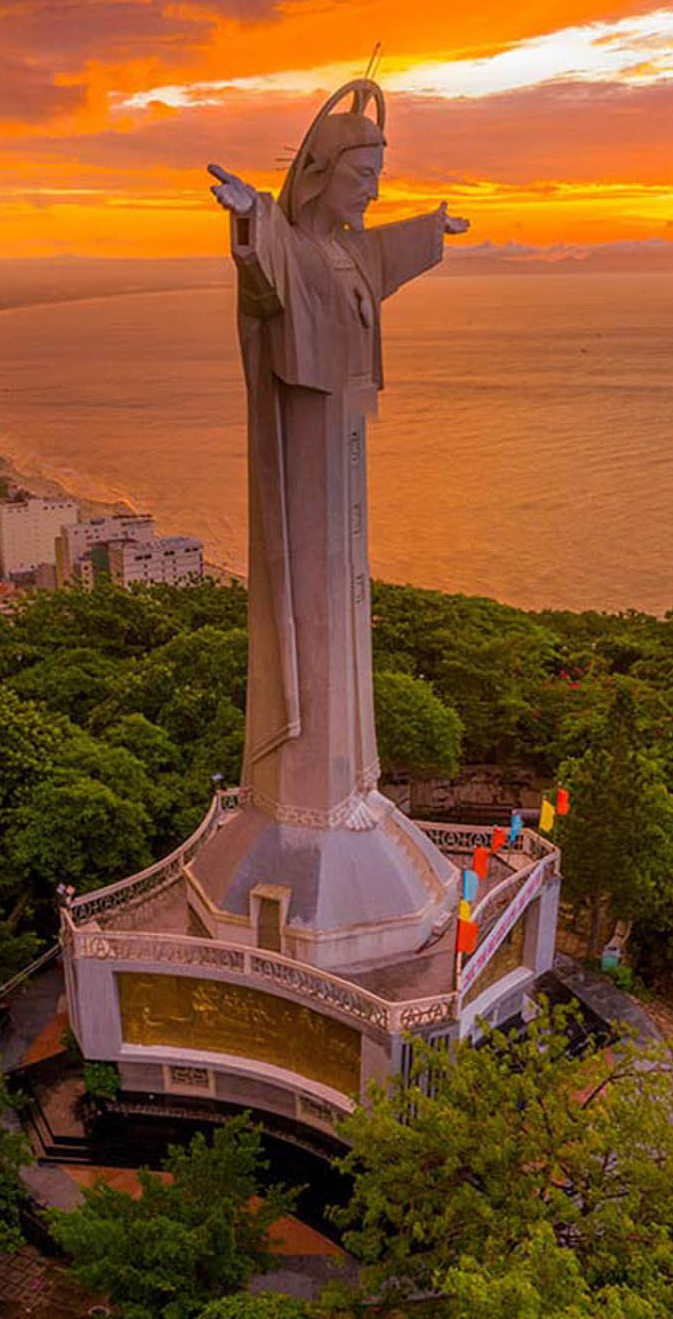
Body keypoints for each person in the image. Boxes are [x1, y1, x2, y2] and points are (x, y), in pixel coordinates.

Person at [206, 79, 468, 830]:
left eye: (380, 179)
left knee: (347, 601)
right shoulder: (297, 248)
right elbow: (270, 266)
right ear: (321, 174)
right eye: (362, 177)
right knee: (316, 597)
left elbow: (382, 255)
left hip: (346, 441)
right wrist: (253, 210)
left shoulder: (350, 251)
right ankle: (304, 794)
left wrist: (434, 227)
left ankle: (351, 782)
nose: (373, 193)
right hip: (307, 449)